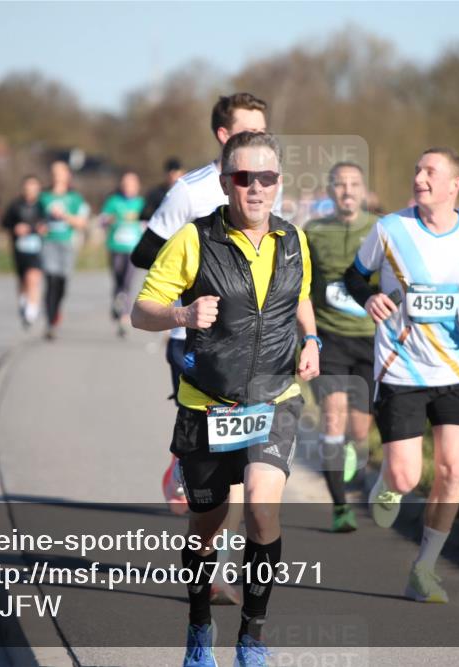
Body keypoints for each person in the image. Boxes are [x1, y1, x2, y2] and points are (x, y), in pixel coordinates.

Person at [133, 131, 319, 667]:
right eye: (244, 178)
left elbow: (298, 296)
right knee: (207, 522)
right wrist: (182, 315)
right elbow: (141, 309)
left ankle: (252, 638)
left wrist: (312, 340)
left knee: (262, 507)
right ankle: (198, 626)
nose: (255, 188)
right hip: (208, 405)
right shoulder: (193, 240)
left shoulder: (293, 239)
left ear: (278, 184)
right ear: (224, 182)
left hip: (274, 398)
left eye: (266, 178)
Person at [343, 147, 459, 603]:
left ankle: (425, 568)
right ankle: (388, 483)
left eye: (429, 171)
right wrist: (368, 298)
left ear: (455, 184)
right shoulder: (390, 229)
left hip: (456, 366)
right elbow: (354, 278)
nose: (419, 177)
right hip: (401, 368)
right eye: (417, 169)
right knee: (404, 477)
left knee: (453, 469)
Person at [131, 93, 272, 606]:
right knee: (219, 458)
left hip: (251, 355)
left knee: (246, 465)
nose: (259, 141)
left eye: (264, 131)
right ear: (222, 135)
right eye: (249, 130)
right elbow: (144, 252)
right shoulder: (189, 193)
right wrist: (195, 286)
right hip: (189, 344)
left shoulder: (265, 187)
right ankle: (185, 466)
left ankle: (221, 565)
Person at [303, 162, 378, 533]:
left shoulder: (381, 230)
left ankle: (352, 452)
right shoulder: (314, 233)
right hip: (329, 339)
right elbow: (301, 289)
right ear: (330, 191)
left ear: (364, 190)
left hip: (368, 340)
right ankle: (339, 507)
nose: (347, 191)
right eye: (340, 185)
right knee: (332, 418)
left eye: (354, 184)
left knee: (360, 432)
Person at [39, 161, 90, 340]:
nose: (56, 176)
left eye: (60, 172)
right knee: (50, 280)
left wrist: (65, 217)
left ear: (67, 175)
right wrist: (41, 226)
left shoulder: (75, 198)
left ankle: (56, 311)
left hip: (67, 243)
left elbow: (83, 222)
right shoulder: (43, 197)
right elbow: (35, 220)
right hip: (48, 244)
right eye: (54, 172)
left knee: (61, 283)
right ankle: (50, 322)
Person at [101, 169, 145, 337]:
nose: (128, 187)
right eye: (125, 184)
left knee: (127, 281)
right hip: (115, 247)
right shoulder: (113, 201)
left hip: (133, 249)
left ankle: (124, 316)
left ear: (137, 186)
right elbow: (102, 220)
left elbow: (149, 222)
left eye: (131, 184)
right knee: (118, 279)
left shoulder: (141, 203)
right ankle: (117, 303)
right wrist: (108, 220)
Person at [0, 175, 45, 329]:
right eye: (27, 188)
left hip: (38, 248)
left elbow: (48, 224)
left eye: (33, 188)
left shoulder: (42, 205)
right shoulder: (15, 206)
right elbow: (4, 223)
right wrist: (15, 229)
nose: (30, 192)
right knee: (23, 280)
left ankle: (31, 313)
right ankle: (23, 302)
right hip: (20, 248)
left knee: (33, 278)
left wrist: (40, 229)